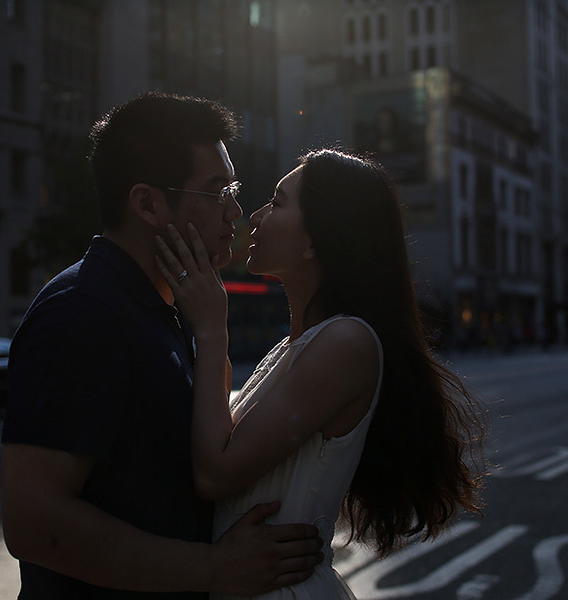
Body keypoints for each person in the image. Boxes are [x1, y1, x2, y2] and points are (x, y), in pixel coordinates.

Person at [0, 92, 323, 599]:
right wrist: (213, 568)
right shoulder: (83, 312)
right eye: (218, 190)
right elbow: (35, 522)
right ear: (147, 203)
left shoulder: (164, 308)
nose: (235, 211)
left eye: (234, 188)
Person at [156, 148, 487, 598]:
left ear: (315, 239)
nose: (255, 215)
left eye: (277, 203)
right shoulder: (300, 347)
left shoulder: (346, 343)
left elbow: (216, 474)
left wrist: (213, 330)